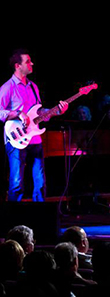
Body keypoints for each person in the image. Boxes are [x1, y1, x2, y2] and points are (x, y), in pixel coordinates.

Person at [0, 49, 69, 202]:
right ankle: (13, 218)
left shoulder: (33, 87)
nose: (32, 64)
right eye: (28, 61)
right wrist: (18, 113)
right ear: (18, 66)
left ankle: (41, 216)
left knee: (40, 181)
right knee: (17, 181)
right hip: (16, 139)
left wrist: (57, 111)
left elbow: (39, 112)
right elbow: (0, 112)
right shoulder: (7, 87)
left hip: (34, 138)